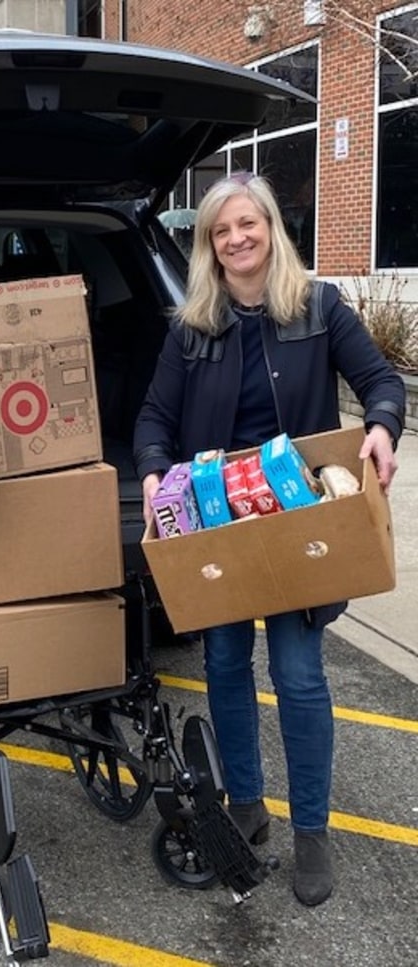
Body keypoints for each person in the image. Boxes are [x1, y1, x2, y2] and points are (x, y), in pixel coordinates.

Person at [133, 172, 405, 907]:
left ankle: (311, 829)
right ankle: (248, 804)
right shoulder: (194, 327)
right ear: (210, 246)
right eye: (222, 230)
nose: (237, 238)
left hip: (298, 519)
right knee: (224, 663)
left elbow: (381, 381)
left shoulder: (318, 306)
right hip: (220, 522)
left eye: (248, 223)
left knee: (299, 673)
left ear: (270, 228)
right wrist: (157, 474)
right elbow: (155, 417)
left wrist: (380, 430)